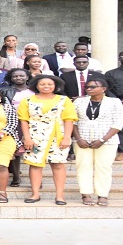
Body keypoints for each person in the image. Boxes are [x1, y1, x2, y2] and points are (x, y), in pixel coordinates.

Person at [18, 75, 77, 205]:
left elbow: (69, 119)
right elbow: (24, 120)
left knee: (58, 164)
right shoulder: (27, 100)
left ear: (55, 86)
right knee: (35, 164)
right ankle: (35, 194)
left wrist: (67, 137)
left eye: (50, 84)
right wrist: (27, 137)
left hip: (57, 136)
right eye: (42, 84)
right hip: (35, 136)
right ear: (36, 86)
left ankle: (60, 196)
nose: (46, 86)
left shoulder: (64, 100)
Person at [72, 79, 123, 206]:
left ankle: (102, 195)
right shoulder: (79, 101)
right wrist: (78, 138)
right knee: (83, 166)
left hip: (107, 141)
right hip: (82, 140)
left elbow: (118, 123)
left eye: (93, 87)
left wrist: (102, 140)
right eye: (88, 87)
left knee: (104, 167)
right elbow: (73, 121)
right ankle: (86, 193)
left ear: (103, 89)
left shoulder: (114, 102)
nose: (89, 89)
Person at [0, 68, 33, 187]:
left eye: (21, 76)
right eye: (15, 76)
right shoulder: (4, 91)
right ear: (11, 78)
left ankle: (35, 180)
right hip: (13, 123)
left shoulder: (34, 90)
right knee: (15, 151)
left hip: (32, 123)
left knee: (34, 151)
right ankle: (16, 177)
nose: (18, 78)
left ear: (27, 77)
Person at [104, 50, 123, 161]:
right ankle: (122, 151)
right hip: (118, 104)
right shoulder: (110, 73)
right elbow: (107, 89)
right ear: (119, 59)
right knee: (120, 128)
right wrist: (118, 101)